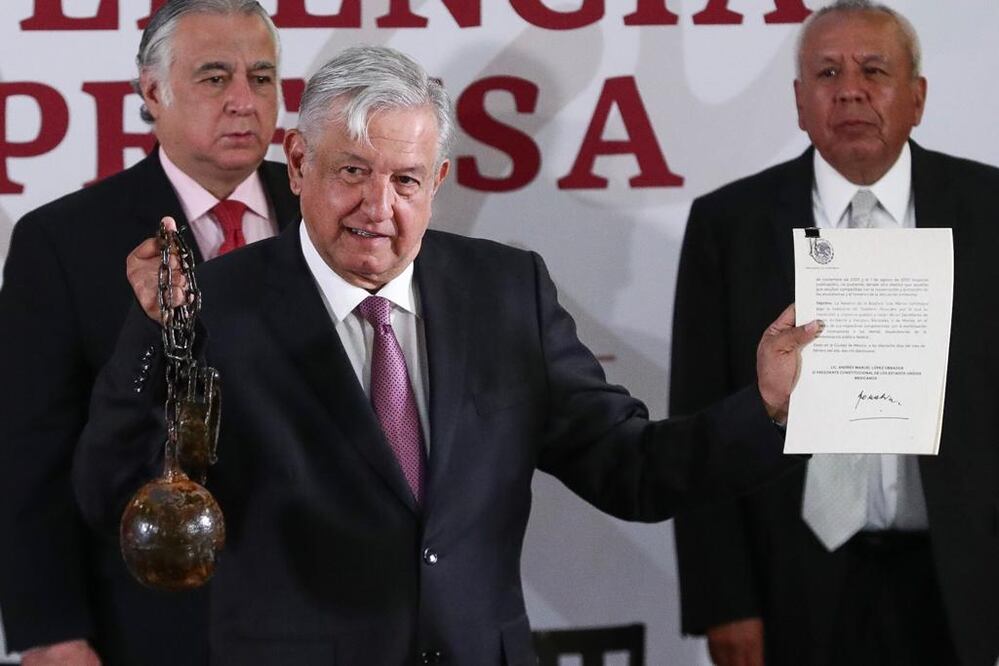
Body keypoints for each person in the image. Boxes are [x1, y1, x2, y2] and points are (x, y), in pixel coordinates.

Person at [73, 45, 818, 665]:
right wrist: (151, 330)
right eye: (351, 172)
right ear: (298, 164)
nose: (377, 207)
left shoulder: (505, 292)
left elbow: (634, 470)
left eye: (404, 180)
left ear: (438, 182)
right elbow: (114, 493)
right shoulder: (215, 305)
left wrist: (767, 407)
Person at [670, 2, 999, 665]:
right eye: (826, 72)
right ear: (798, 102)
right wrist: (723, 601)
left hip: (959, 578)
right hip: (789, 577)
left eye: (873, 70)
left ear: (916, 97)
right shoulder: (726, 225)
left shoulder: (989, 211)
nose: (848, 89)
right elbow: (698, 417)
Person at [0, 1, 299, 664]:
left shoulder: (330, 213)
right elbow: (29, 455)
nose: (245, 102)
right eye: (215, 78)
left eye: (263, 77)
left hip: (331, 612)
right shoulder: (63, 241)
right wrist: (50, 631)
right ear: (152, 92)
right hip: (154, 621)